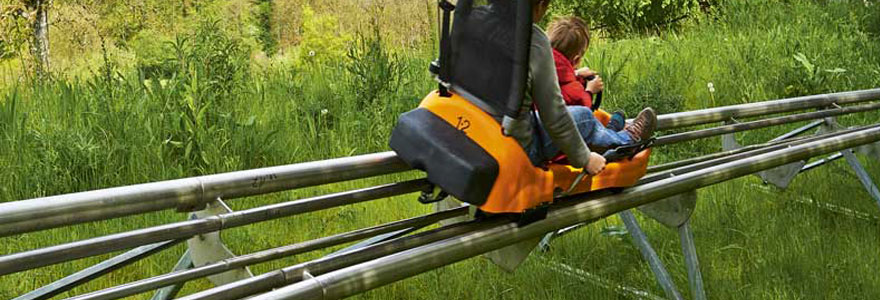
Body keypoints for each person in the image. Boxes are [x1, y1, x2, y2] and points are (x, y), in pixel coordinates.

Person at [502, 0, 656, 176]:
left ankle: (609, 132)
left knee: (588, 122)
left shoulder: (482, 28)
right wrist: (586, 159)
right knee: (585, 118)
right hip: (530, 147)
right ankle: (626, 140)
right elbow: (561, 116)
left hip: (493, 136)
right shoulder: (534, 43)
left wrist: (573, 75)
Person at [547, 16, 625, 131]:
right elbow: (584, 115)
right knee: (597, 128)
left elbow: (558, 77)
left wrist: (575, 74)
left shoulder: (539, 72)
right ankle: (622, 137)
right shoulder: (575, 90)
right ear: (577, 59)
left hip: (542, 131)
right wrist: (589, 91)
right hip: (568, 139)